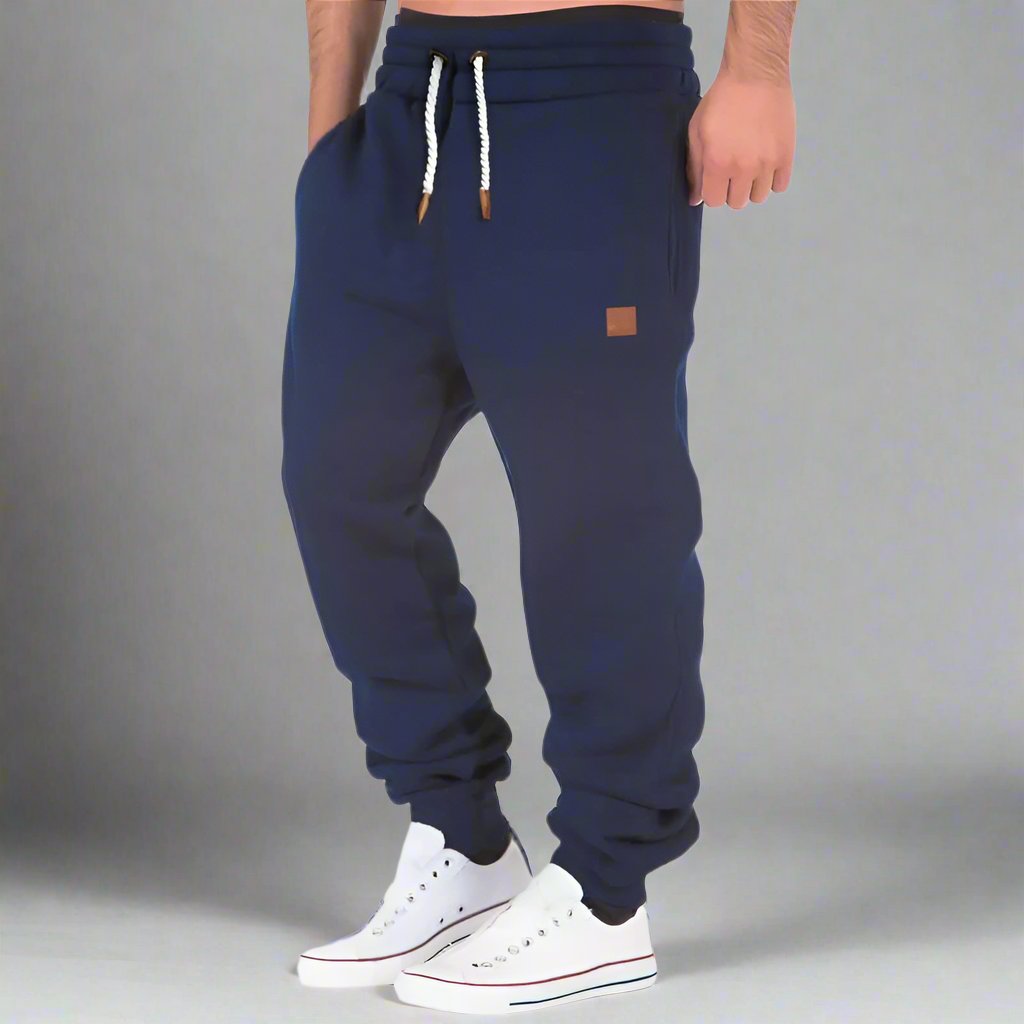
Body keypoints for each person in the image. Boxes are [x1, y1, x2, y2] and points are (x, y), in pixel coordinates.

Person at [283, 0, 797, 1012]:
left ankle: (606, 887)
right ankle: (461, 840)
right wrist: (327, 138)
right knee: (339, 481)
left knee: (597, 511)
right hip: (405, 109)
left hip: (590, 98)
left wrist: (759, 66)